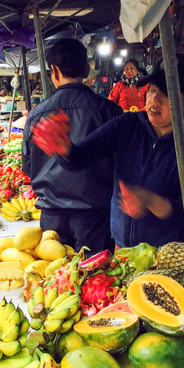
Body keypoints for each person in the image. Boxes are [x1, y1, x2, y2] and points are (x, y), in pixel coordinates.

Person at [33, 54, 184, 248]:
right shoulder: (127, 125)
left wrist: (150, 200)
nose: (154, 100)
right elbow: (80, 158)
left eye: (167, 95)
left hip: (165, 254)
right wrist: (64, 149)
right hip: (122, 248)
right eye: (152, 90)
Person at [22, 38, 122, 255]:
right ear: (87, 70)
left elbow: (27, 167)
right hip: (94, 217)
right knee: (93, 278)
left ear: (54, 72)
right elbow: (121, 165)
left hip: (51, 215)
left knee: (55, 279)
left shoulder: (37, 114)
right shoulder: (110, 111)